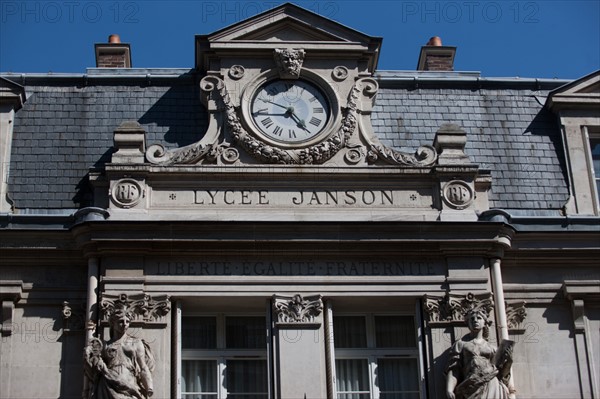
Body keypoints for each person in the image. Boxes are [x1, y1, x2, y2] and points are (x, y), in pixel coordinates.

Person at [84, 306, 155, 399]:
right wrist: (88, 357)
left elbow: (143, 367)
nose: (125, 324)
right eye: (121, 321)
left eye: (127, 322)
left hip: (129, 383)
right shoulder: (105, 345)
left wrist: (149, 387)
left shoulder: (136, 343)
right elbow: (94, 371)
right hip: (108, 384)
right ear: (113, 323)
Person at [445, 307, 511, 399]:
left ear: (484, 322)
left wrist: (509, 361)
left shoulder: (492, 348)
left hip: (492, 383)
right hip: (471, 385)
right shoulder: (461, 344)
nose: (475, 320)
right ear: (468, 323)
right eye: (472, 319)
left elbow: (501, 373)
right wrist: (449, 389)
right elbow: (454, 369)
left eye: (479, 318)